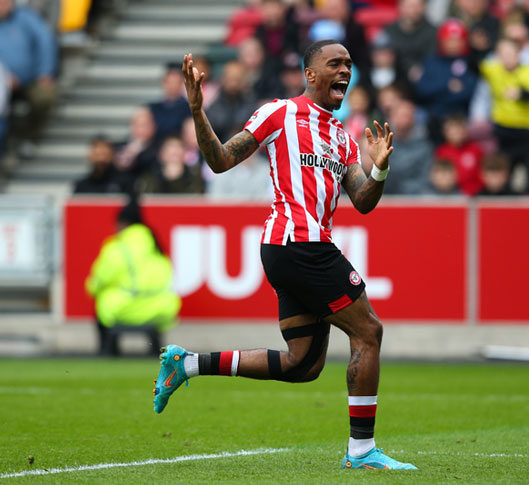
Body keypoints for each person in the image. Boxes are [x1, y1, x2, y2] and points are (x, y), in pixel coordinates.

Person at [153, 42, 417, 471]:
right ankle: (362, 451)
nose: (345, 70)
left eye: (349, 64)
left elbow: (364, 201)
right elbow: (220, 161)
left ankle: (187, 364)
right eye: (335, 63)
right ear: (310, 75)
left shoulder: (343, 140)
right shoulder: (279, 112)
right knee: (368, 331)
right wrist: (199, 112)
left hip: (296, 251)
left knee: (303, 364)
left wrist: (380, 168)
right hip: (297, 244)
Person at [86, 197, 180, 356]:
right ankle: (156, 353)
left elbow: (98, 282)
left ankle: (108, 352)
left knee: (103, 300)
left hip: (125, 308)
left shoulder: (117, 247)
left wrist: (93, 289)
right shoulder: (157, 247)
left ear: (122, 223)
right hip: (159, 309)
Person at [481, 38, 529, 195]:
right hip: (505, 132)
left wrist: (521, 93)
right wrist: (480, 47)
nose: (506, 58)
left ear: (518, 54)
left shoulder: (527, 72)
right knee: (503, 182)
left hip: (528, 131)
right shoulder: (493, 69)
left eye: (510, 53)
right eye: (502, 54)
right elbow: (473, 64)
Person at [0, 0, 57, 156]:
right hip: (1, 83)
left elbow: (45, 40)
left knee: (44, 96)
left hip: (30, 79)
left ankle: (29, 136)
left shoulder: (27, 17)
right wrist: (3, 76)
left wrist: (45, 72)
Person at [414, 18, 478, 142]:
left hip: (461, 116)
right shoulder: (431, 62)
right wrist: (447, 86)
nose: (453, 44)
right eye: (449, 40)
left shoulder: (470, 62)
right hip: (433, 116)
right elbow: (421, 90)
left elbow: (468, 92)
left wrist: (438, 90)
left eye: (457, 40)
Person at [382, 98, 433, 195]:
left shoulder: (424, 146)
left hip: (415, 199)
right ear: (391, 116)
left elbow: (425, 178)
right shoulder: (380, 142)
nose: (405, 120)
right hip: (384, 197)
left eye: (408, 116)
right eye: (401, 115)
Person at [384, 0, 438, 86]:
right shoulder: (389, 30)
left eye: (417, 6)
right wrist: (409, 66)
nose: (414, 10)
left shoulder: (432, 32)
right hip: (394, 78)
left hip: (422, 79)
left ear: (424, 8)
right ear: (400, 7)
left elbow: (432, 59)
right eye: (410, 6)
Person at [434, 114, 485, 195]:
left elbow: (483, 174)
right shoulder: (441, 151)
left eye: (459, 130)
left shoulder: (476, 150)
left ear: (465, 131)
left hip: (475, 195)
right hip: (449, 195)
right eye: (453, 131)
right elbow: (438, 175)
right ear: (445, 132)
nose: (456, 134)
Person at [206, 61, 256, 142]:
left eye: (237, 80)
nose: (234, 84)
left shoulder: (251, 103)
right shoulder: (214, 106)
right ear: (223, 80)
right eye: (230, 79)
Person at [137, 136, 204, 195]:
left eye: (178, 148)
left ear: (184, 153)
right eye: (170, 149)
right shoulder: (149, 179)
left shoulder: (194, 178)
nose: (174, 151)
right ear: (161, 155)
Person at [114, 107, 160, 179]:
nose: (141, 129)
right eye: (137, 125)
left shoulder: (160, 149)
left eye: (144, 125)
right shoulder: (117, 147)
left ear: (153, 127)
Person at [148, 64, 190, 141]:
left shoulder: (188, 109)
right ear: (164, 83)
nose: (173, 86)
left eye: (176, 82)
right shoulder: (154, 108)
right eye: (170, 82)